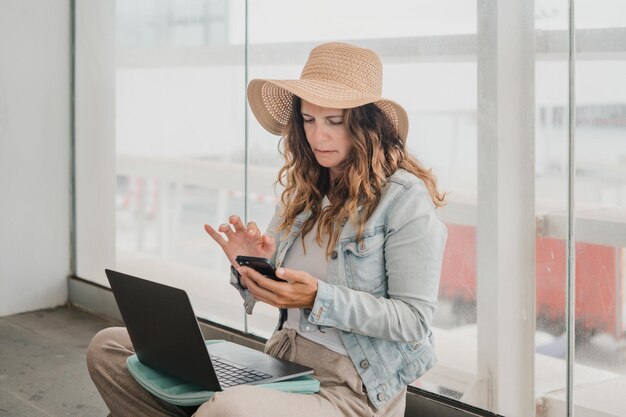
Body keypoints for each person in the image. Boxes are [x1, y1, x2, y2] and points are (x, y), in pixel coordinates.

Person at [87, 42, 447, 417]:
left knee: (229, 410)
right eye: (309, 120)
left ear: (367, 124)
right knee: (110, 348)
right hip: (284, 368)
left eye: (334, 121)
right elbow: (278, 286)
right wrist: (252, 266)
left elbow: (413, 320)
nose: (318, 136)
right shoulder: (307, 190)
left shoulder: (405, 199)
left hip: (350, 390)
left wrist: (316, 299)